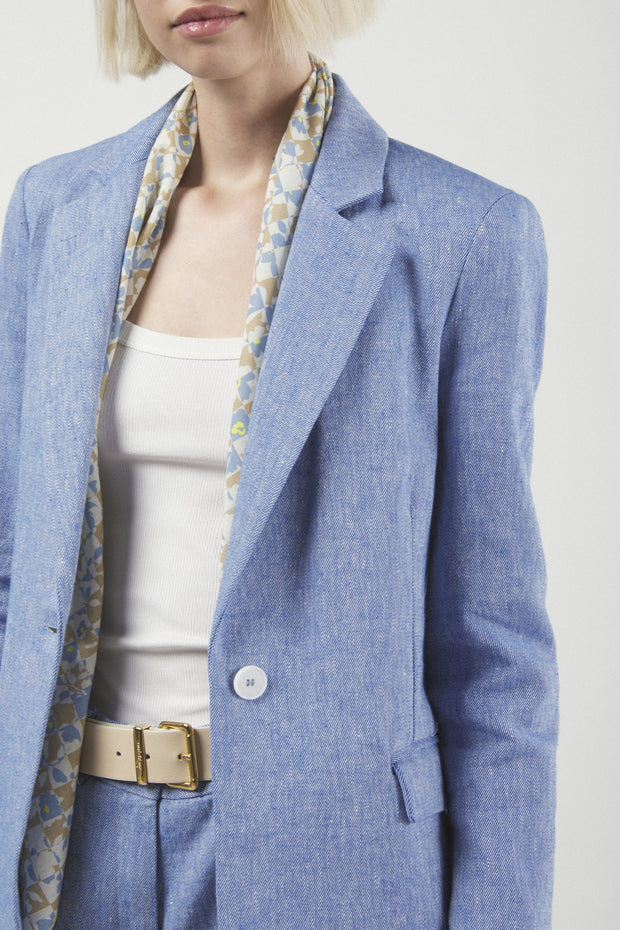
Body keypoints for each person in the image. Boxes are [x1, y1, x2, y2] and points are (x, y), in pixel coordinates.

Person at [0, 1, 559, 927]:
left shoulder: (463, 234)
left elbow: (495, 652)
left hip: (333, 854)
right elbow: (14, 569)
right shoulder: (54, 211)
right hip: (72, 846)